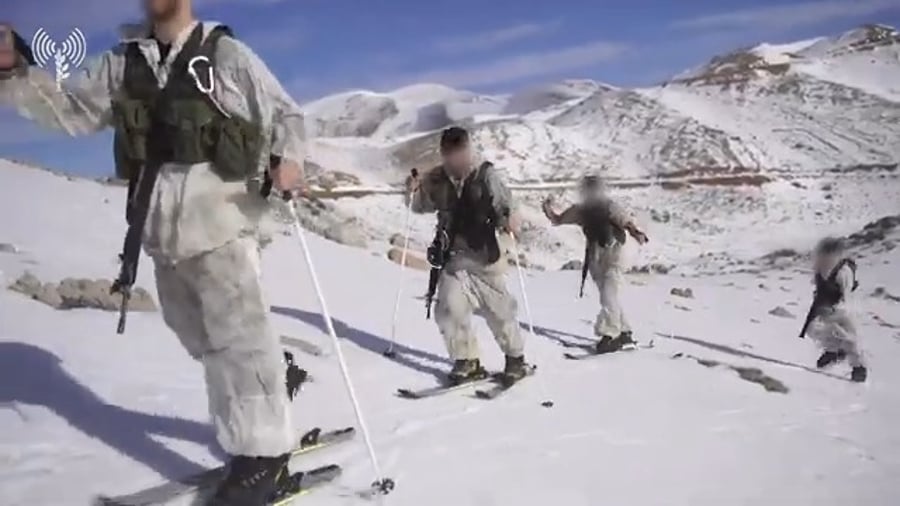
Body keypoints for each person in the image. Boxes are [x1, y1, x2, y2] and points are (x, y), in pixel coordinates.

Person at [1, 1, 308, 503]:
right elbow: (72, 110)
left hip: (223, 223)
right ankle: (269, 389)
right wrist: (16, 70)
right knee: (201, 339)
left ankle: (264, 458)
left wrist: (290, 160)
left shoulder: (223, 53)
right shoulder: (123, 62)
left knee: (237, 341)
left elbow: (286, 114)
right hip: (163, 232)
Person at [406, 126, 529, 385]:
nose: (454, 158)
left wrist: (510, 220)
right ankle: (466, 360)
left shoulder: (485, 174)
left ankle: (515, 358)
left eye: (459, 151)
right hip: (453, 258)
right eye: (449, 152)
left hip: (485, 255)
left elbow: (507, 204)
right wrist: (414, 191)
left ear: (467, 149)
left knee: (499, 311)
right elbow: (420, 206)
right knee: (448, 309)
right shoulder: (437, 178)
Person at [542, 175, 648, 353]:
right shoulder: (581, 210)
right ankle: (624, 331)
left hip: (614, 254)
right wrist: (547, 208)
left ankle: (611, 334)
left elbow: (625, 221)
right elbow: (558, 220)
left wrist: (636, 233)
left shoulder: (609, 206)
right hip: (596, 256)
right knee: (609, 297)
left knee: (608, 295)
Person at [803, 237, 866, 382]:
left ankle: (859, 367)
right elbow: (820, 285)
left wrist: (834, 307)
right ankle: (833, 351)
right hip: (826, 307)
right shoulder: (823, 267)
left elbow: (845, 294)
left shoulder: (843, 270)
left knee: (847, 337)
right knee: (814, 329)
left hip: (841, 309)